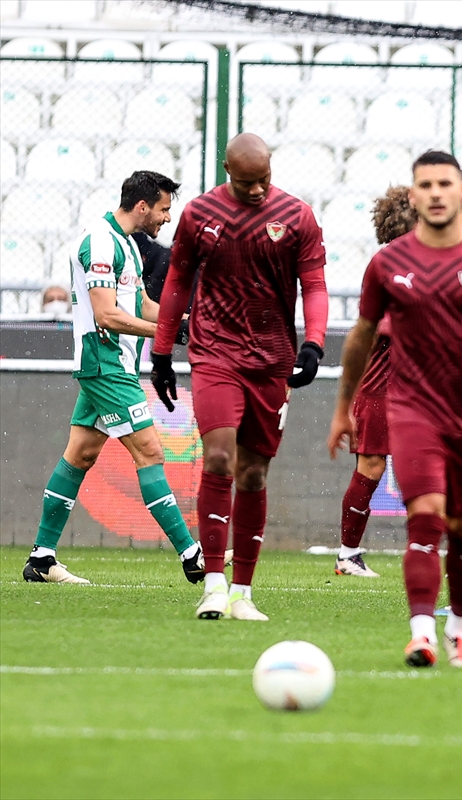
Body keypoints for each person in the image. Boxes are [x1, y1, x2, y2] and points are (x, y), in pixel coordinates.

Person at [329, 150, 462, 669]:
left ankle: (460, 630)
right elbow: (361, 336)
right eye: (424, 184)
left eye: (443, 183)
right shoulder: (387, 264)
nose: (434, 192)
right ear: (414, 195)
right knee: (425, 516)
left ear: (461, 193)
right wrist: (342, 407)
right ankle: (421, 634)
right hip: (412, 410)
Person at [150, 133, 329, 622]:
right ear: (228, 170)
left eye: (263, 180)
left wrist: (313, 342)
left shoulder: (297, 216)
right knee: (219, 457)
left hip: (272, 359)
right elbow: (178, 281)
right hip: (215, 353)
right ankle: (213, 585)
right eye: (246, 182)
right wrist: (162, 351)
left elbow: (314, 284)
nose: (256, 190)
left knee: (253, 472)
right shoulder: (199, 214)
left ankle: (243, 593)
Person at [23, 171, 203, 585]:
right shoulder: (99, 242)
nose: (166, 219)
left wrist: (191, 321)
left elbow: (142, 305)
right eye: (163, 210)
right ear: (142, 206)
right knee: (150, 452)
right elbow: (106, 315)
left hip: (116, 365)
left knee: (80, 455)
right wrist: (168, 333)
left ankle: (42, 558)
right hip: (105, 363)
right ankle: (192, 555)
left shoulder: (126, 245)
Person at [331, 185, 417, 579]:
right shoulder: (389, 266)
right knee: (371, 466)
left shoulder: (422, 262)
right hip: (382, 384)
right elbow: (377, 326)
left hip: (415, 387)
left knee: (422, 468)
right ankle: (348, 554)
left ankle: (425, 551)